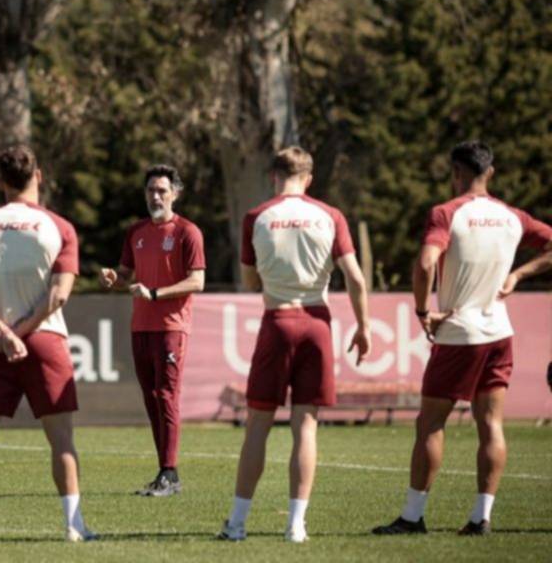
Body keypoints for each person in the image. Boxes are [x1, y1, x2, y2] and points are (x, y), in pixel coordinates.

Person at [372, 141, 552, 537]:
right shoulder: (511, 216)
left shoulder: (446, 213)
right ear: (491, 172)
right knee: (491, 424)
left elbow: (424, 263)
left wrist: (423, 312)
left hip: (459, 333)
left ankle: (413, 516)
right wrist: (519, 275)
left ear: (456, 172)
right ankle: (480, 517)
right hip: (500, 332)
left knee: (431, 423)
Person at [219, 146, 371, 543]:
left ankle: (236, 524)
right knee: (306, 427)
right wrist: (364, 326)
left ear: (274, 176)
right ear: (309, 177)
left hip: (278, 320)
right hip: (316, 321)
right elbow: (355, 278)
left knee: (258, 426)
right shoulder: (330, 216)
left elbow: (251, 282)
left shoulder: (257, 217)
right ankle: (295, 525)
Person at [0, 144, 96, 543]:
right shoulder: (59, 227)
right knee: (62, 440)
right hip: (46, 341)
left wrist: (3, 334)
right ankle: (73, 526)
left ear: (0, 182)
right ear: (38, 176)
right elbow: (59, 295)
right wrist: (24, 332)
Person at [98, 165, 205, 496]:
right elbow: (128, 275)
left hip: (171, 327)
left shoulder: (188, 232)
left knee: (166, 396)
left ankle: (170, 474)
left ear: (175, 193)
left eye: (161, 190)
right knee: (151, 399)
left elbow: (197, 281)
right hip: (140, 326)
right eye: (150, 190)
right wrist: (114, 279)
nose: (155, 196)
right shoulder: (136, 232)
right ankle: (164, 472)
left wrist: (156, 294)